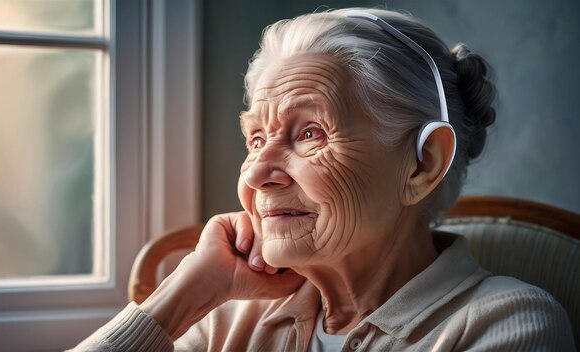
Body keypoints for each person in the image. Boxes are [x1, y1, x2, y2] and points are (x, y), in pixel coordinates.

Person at [72, 8, 575, 351]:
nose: (257, 174)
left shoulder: (506, 324)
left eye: (310, 132)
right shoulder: (231, 315)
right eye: (255, 139)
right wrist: (184, 295)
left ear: (421, 165)